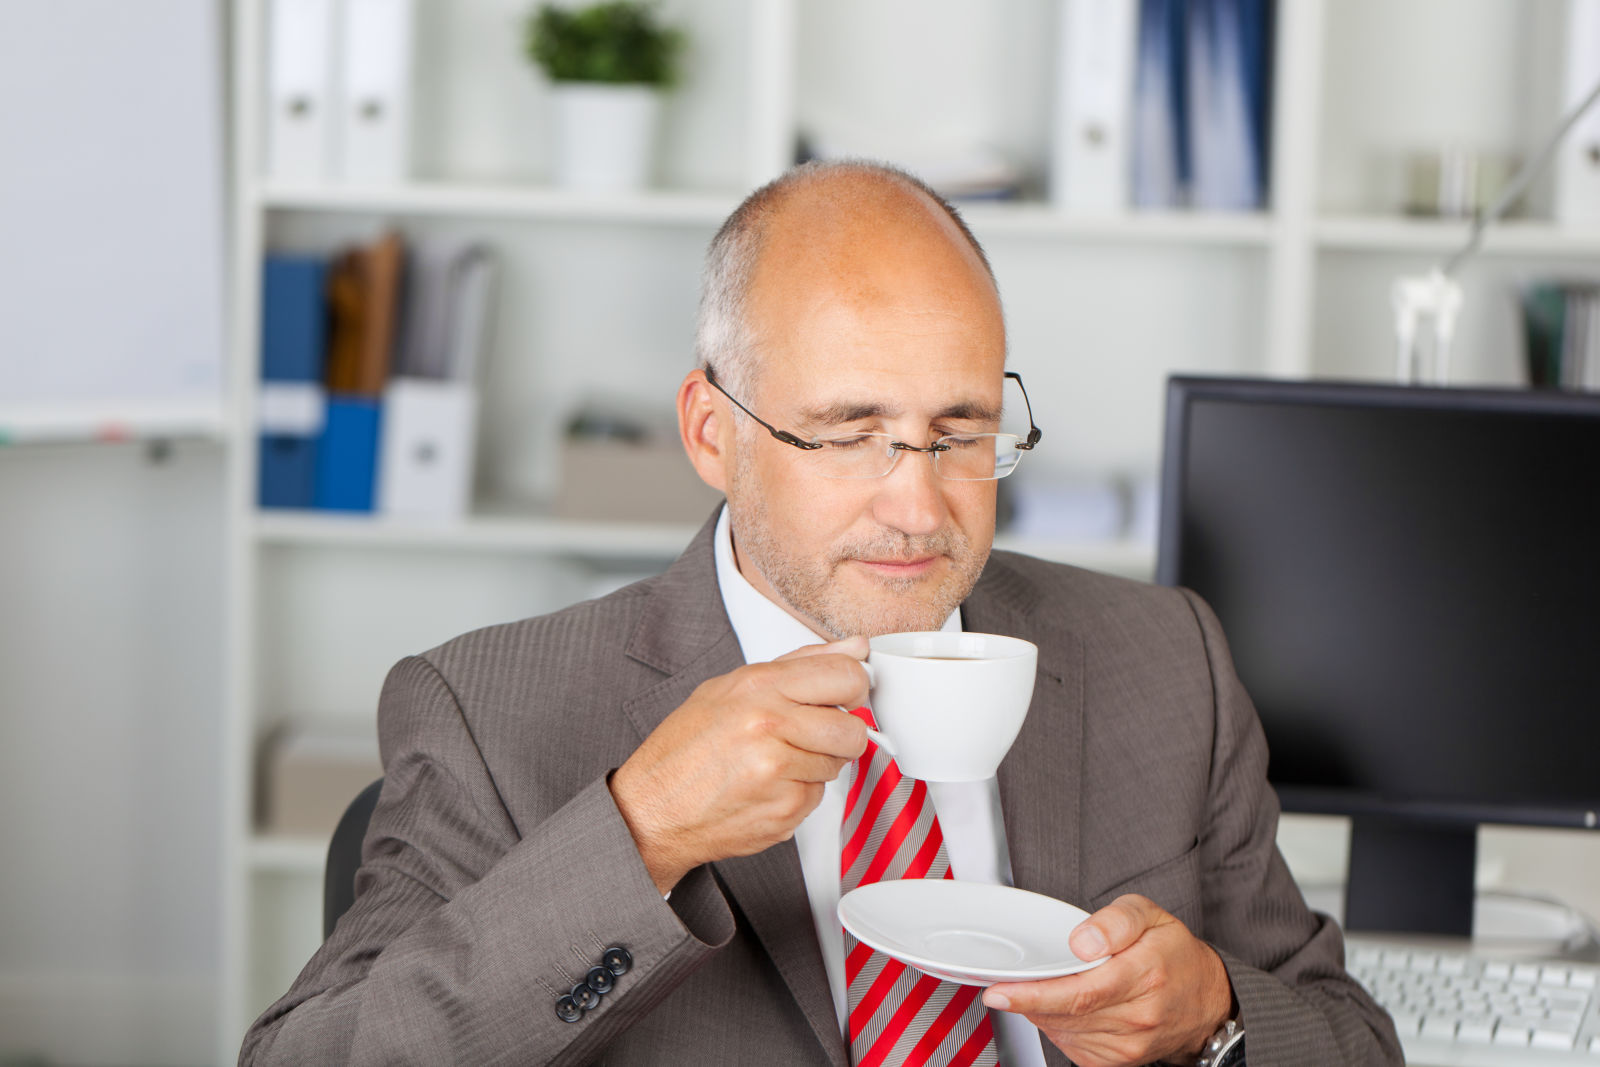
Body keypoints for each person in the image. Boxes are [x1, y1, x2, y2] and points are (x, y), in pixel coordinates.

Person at [240, 161, 1402, 1067]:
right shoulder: (495, 711)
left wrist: (1210, 1015)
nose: (918, 503)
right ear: (712, 433)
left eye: (959, 433)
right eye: (850, 433)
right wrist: (640, 830)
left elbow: (1349, 1036)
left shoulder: (1164, 660)